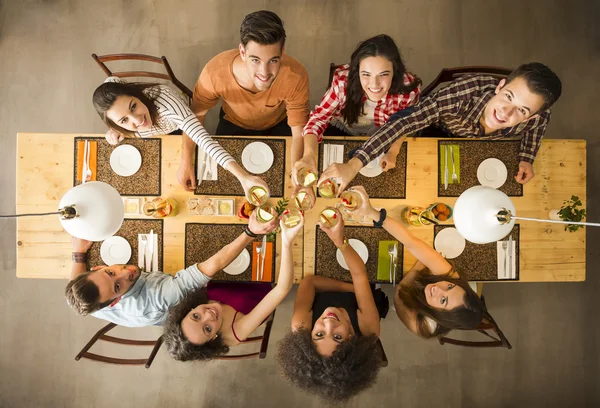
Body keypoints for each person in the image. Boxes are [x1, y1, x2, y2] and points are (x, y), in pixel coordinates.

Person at [319, 62, 562, 193]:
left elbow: (538, 127)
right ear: (499, 87)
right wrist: (353, 164)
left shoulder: (537, 117)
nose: (506, 113)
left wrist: (527, 158)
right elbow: (404, 121)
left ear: (532, 116)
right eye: (508, 96)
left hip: (474, 153)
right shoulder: (458, 97)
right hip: (437, 130)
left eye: (522, 110)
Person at [65, 212, 278, 327]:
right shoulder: (161, 297)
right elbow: (213, 266)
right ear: (114, 301)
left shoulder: (90, 299)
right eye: (118, 285)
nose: (125, 273)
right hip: (193, 305)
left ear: (98, 267)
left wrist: (79, 254)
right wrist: (251, 231)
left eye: (110, 272)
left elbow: (74, 284)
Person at [179, 10, 310, 190]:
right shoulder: (214, 72)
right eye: (255, 60)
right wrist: (186, 160)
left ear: (282, 53)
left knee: (284, 185)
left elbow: (298, 131)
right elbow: (195, 116)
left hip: (279, 125)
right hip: (233, 123)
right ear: (242, 51)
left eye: (273, 60)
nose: (264, 73)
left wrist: (298, 179)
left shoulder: (296, 75)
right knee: (225, 184)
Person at [276, 208, 386, 402]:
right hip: (356, 274)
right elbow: (360, 274)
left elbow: (310, 282)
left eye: (319, 334)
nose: (328, 323)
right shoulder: (369, 329)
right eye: (337, 336)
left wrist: (354, 289)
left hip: (336, 280)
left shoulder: (300, 327)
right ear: (352, 339)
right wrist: (339, 240)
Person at [293, 34, 421, 202]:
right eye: (366, 74)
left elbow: (407, 123)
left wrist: (393, 151)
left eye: (383, 74)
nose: (374, 85)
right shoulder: (342, 82)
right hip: (344, 130)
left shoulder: (408, 89)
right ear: (356, 71)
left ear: (395, 71)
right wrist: (309, 154)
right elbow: (318, 118)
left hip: (387, 137)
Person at [163, 213, 304, 361]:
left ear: (187, 311)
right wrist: (287, 242)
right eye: (208, 329)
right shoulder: (236, 333)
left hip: (230, 268)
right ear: (213, 339)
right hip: (258, 280)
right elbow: (282, 289)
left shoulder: (187, 301)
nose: (209, 315)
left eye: (196, 316)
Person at [92, 78, 268, 196]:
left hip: (177, 125)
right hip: (158, 138)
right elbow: (111, 80)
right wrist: (115, 131)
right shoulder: (119, 123)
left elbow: (204, 140)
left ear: (137, 95)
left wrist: (243, 176)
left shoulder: (166, 103)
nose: (137, 120)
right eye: (124, 120)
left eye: (133, 106)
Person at [349, 186, 484, 338]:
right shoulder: (450, 276)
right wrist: (371, 212)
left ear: (442, 316)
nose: (439, 288)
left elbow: (400, 294)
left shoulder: (422, 326)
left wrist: (419, 265)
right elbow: (411, 241)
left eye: (443, 300)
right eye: (450, 286)